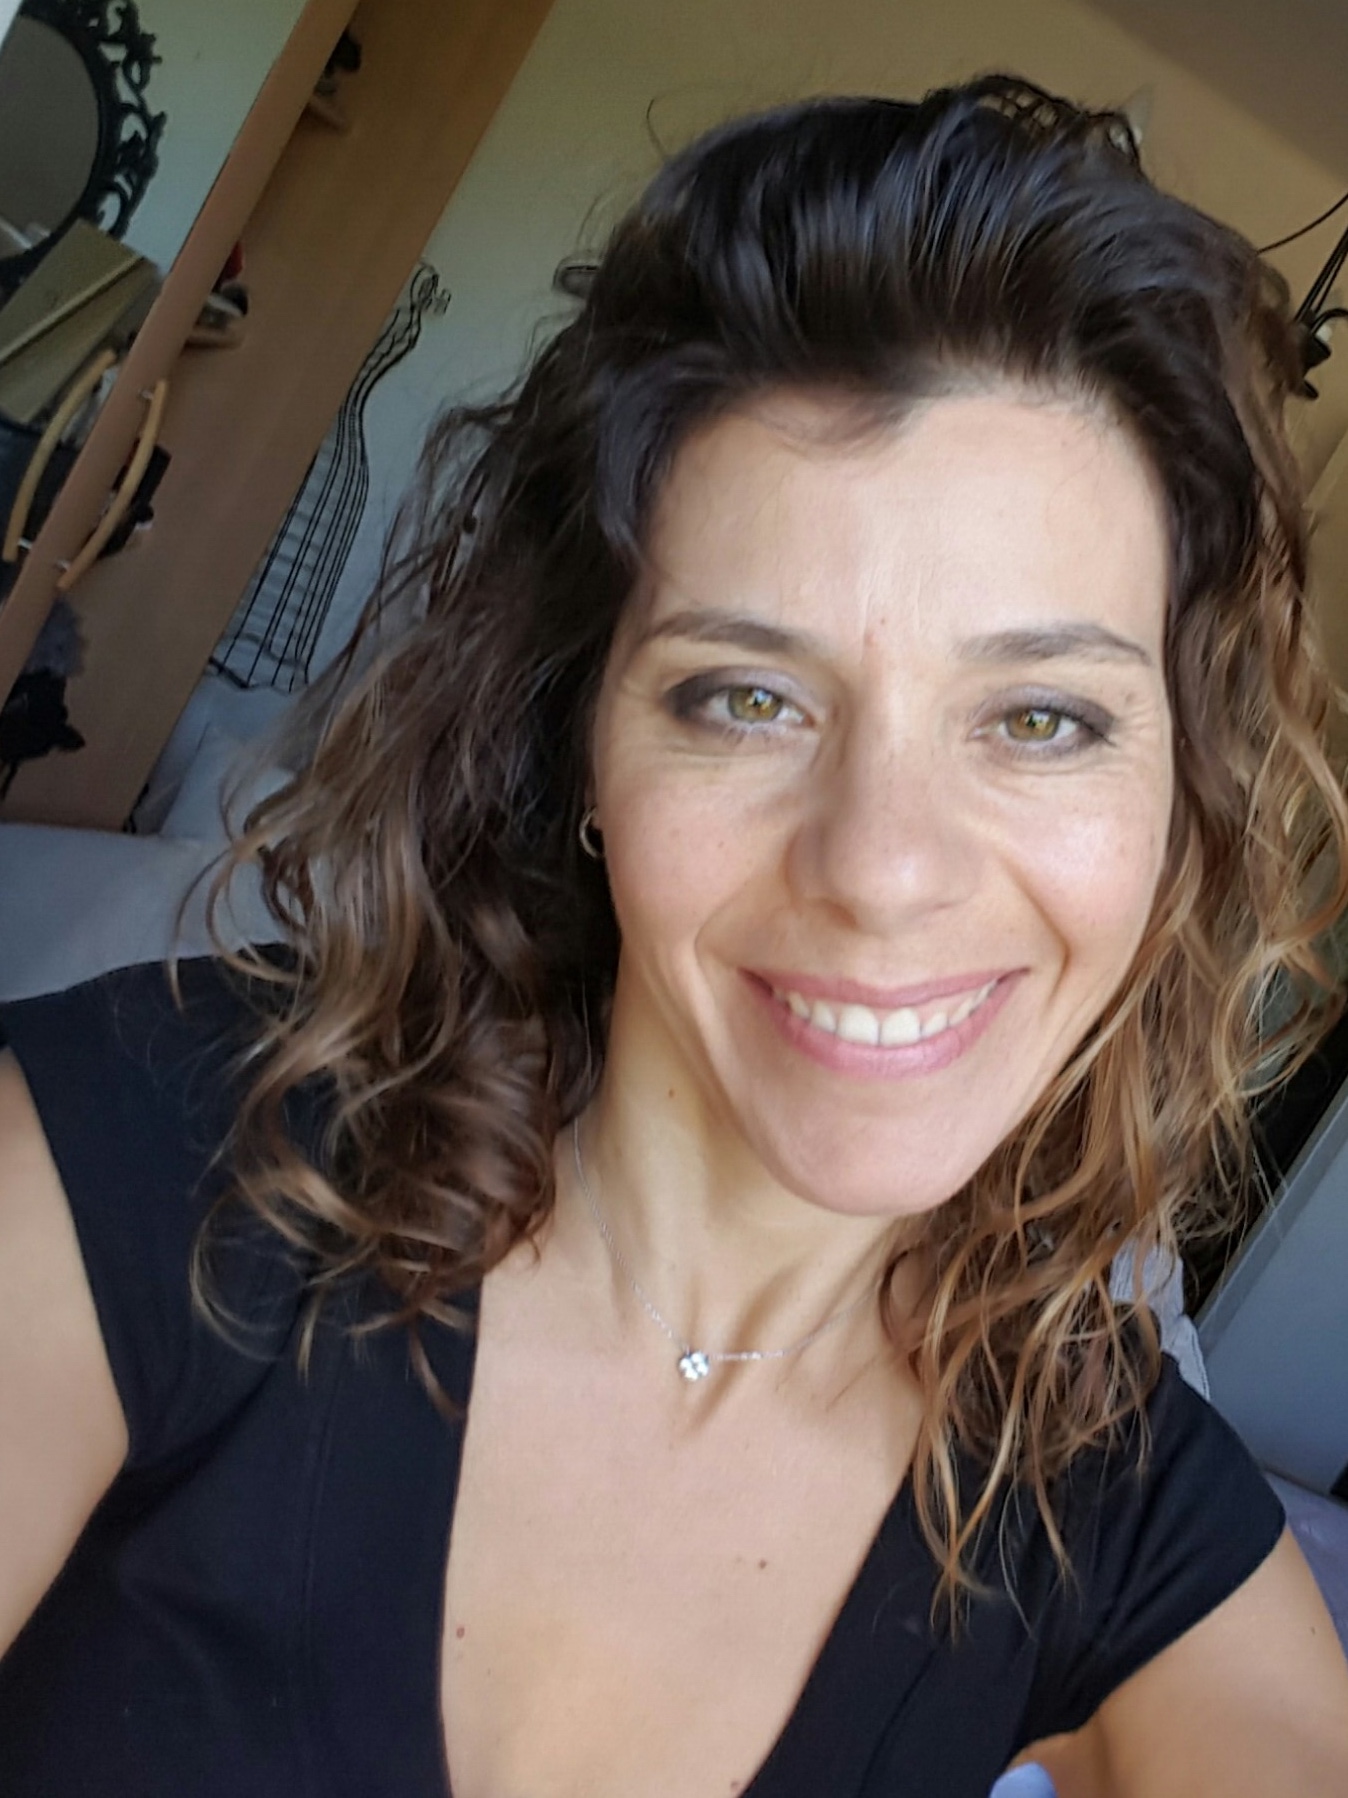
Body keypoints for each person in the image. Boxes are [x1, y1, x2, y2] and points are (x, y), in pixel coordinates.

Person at [2, 75, 1348, 1798]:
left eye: (1041, 719)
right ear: (583, 743)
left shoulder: (1113, 1498)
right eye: (747, 696)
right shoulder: (150, 1153)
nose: (883, 869)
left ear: (1175, 804)